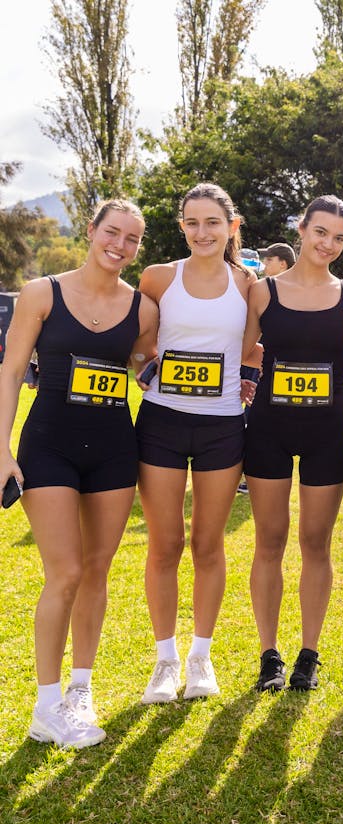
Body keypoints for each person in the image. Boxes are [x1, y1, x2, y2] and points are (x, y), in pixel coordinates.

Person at [0, 198, 158, 747]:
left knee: (96, 570)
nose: (120, 245)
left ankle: (80, 689)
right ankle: (46, 707)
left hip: (115, 449)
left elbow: (142, 366)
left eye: (132, 239)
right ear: (91, 232)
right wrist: (1, 449)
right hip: (48, 447)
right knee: (63, 573)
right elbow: (13, 369)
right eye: (112, 232)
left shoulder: (143, 308)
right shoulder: (42, 293)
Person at [135, 182, 257, 704]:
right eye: (191, 222)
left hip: (222, 426)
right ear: (181, 226)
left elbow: (253, 343)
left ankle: (200, 658)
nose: (201, 232)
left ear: (231, 227)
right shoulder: (159, 277)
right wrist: (147, 366)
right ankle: (165, 661)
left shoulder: (247, 283)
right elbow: (140, 342)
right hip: (161, 421)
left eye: (212, 222)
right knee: (165, 545)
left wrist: (249, 376)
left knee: (209, 545)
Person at [242, 194, 343, 692]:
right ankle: (269, 655)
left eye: (338, 238)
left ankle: (308, 655)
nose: (328, 244)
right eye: (321, 233)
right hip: (268, 428)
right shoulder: (262, 291)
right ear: (302, 228)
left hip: (326, 432)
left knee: (316, 542)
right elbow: (245, 349)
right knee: (269, 540)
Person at [237, 242, 296, 495]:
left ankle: (252, 477)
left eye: (269, 260)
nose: (265, 265)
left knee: (258, 418)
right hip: (255, 360)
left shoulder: (290, 293)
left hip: (271, 367)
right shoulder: (261, 290)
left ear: (282, 263)